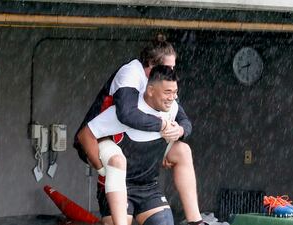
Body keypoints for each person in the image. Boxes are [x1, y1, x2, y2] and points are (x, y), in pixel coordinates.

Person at [74, 35, 205, 225]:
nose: (171, 74)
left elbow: (184, 120)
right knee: (117, 161)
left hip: (144, 173)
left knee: (183, 149)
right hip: (105, 140)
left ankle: (196, 220)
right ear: (151, 68)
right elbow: (126, 114)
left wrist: (179, 131)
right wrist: (161, 125)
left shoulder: (165, 92)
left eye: (173, 92)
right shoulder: (131, 75)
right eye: (168, 69)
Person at [80, 65, 184, 225]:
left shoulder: (172, 109)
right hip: (119, 187)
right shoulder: (128, 113)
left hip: (149, 187)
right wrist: (101, 168)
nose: (172, 97)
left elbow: (187, 125)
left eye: (175, 92)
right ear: (150, 90)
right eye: (167, 92)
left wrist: (180, 131)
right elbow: (84, 135)